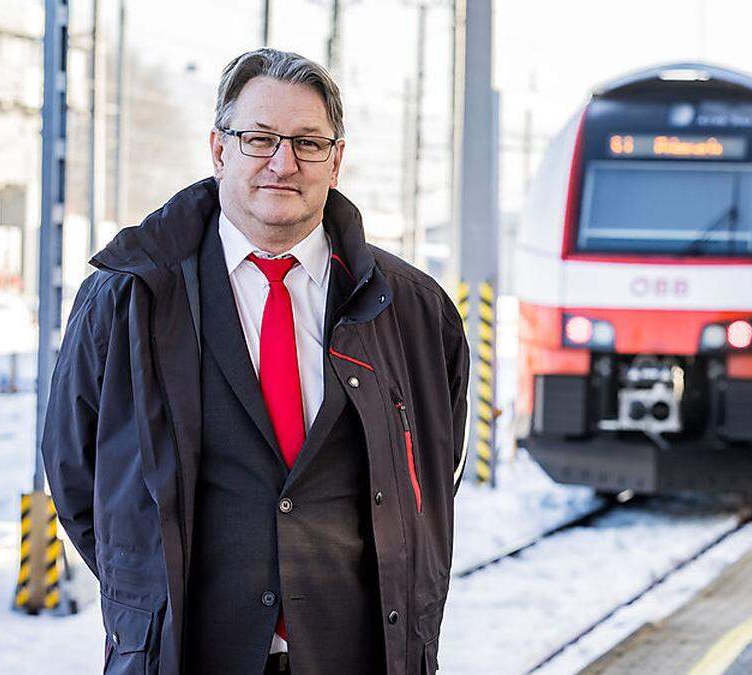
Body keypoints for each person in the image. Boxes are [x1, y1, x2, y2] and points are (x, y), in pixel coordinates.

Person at [41, 48, 470, 675]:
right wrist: (150, 598)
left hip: (360, 654)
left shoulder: (411, 309)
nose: (283, 163)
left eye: (307, 143)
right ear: (219, 150)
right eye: (259, 139)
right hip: (186, 652)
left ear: (336, 158)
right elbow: (74, 469)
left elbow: (437, 463)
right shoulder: (129, 296)